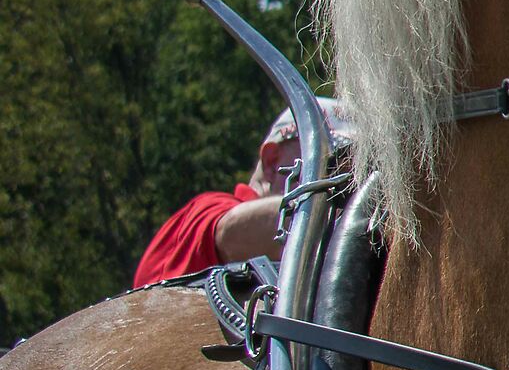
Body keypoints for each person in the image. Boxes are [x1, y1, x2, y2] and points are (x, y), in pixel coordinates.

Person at [132, 100, 355, 287]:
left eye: (352, 172)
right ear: (271, 161)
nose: (343, 181)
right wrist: (354, 211)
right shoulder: (204, 211)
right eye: (330, 161)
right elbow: (231, 233)